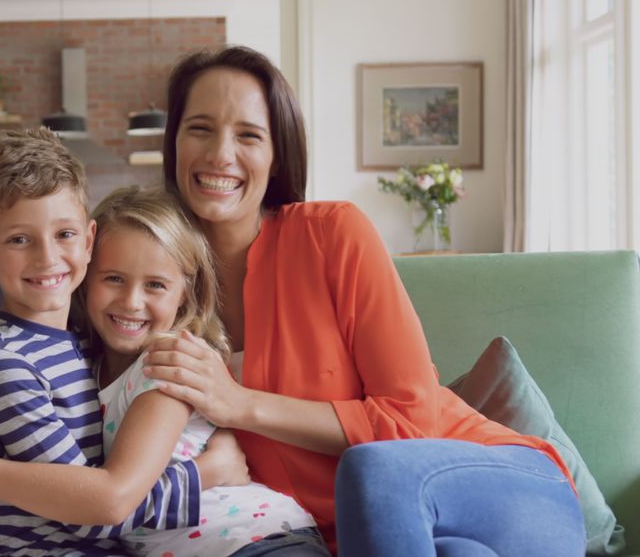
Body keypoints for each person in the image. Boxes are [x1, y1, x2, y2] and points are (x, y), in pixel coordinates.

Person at [136, 46, 586, 556]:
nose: (220, 153)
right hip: (359, 538)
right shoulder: (155, 288)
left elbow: (411, 423)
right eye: (199, 128)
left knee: (372, 468)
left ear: (276, 154)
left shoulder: (333, 234)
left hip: (502, 488)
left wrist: (241, 405)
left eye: (248, 135)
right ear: (172, 142)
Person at [0, 185, 329, 557]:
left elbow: (109, 501)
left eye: (156, 285)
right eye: (114, 278)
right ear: (87, 272)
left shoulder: (170, 365)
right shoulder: (80, 361)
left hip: (256, 541)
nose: (131, 302)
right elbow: (69, 486)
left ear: (185, 294)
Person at [0, 129, 246, 556]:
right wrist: (205, 473)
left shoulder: (78, 343)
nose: (47, 257)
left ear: (88, 241)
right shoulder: (5, 366)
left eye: (64, 234)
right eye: (19, 239)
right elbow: (90, 515)